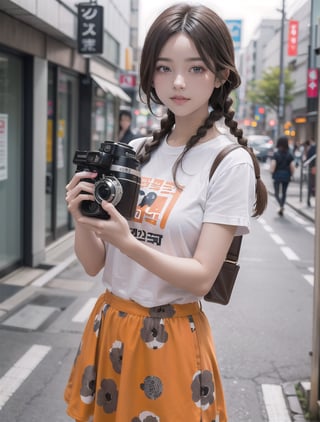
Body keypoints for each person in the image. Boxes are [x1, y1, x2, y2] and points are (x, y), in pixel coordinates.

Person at [64, 3, 267, 421]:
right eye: (163, 68)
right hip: (110, 324)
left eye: (195, 68)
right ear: (149, 74)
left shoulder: (229, 162)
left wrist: (127, 241)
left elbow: (202, 275)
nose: (177, 82)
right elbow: (93, 264)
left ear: (221, 74)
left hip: (169, 336)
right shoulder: (135, 152)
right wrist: (82, 219)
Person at [270, 135, 295, 216]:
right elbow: (292, 166)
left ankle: (281, 205)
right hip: (286, 175)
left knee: (276, 193)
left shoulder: (276, 154)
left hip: (277, 175)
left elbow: (273, 165)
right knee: (284, 193)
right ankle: (282, 205)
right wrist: (292, 175)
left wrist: (272, 172)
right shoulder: (289, 154)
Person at [306, 138, 316, 207]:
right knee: (311, 184)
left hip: (313, 168)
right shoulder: (313, 148)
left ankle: (309, 199)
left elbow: (308, 158)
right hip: (313, 168)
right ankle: (309, 199)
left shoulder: (312, 148)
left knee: (311, 184)